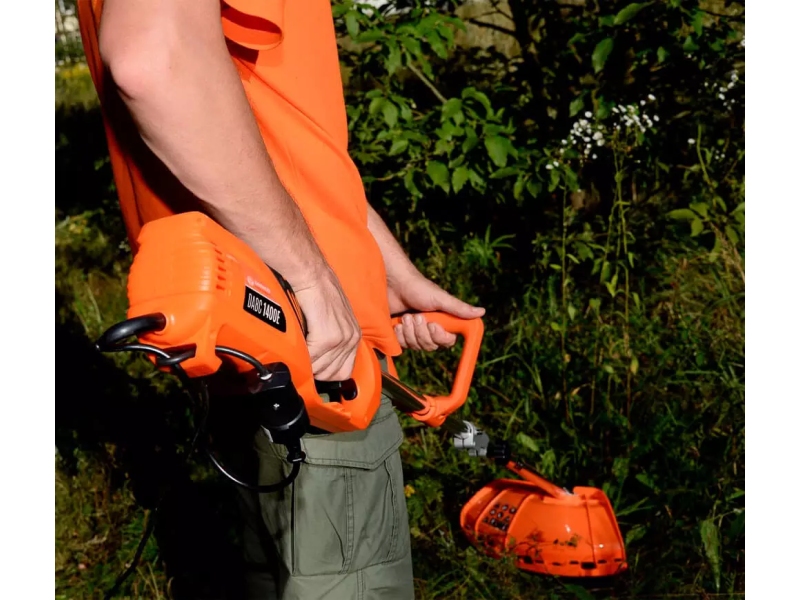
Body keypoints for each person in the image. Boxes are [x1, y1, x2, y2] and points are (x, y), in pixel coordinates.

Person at [76, 1, 484, 598]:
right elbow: (155, 59)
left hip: (246, 334)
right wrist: (313, 279)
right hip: (314, 352)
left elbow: (271, 131)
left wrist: (382, 267)